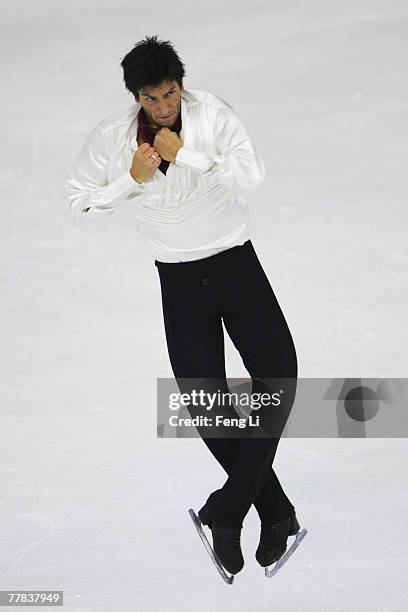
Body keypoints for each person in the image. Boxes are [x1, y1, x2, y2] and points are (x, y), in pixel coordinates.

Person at [65, 35, 300, 576]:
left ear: (180, 84)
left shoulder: (213, 116)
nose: (162, 106)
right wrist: (130, 180)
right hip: (178, 277)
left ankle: (227, 509)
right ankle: (275, 510)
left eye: (169, 94)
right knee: (202, 401)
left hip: (236, 264)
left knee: (280, 377)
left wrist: (187, 155)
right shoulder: (112, 138)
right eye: (151, 99)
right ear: (137, 97)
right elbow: (78, 202)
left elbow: (253, 175)